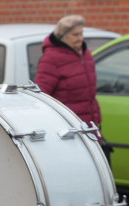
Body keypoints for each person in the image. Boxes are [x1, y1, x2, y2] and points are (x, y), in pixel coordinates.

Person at [34, 15, 105, 147]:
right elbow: (41, 96)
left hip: (90, 128)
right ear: (63, 36)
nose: (80, 38)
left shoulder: (86, 54)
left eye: (81, 33)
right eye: (75, 35)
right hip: (68, 130)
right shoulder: (51, 59)